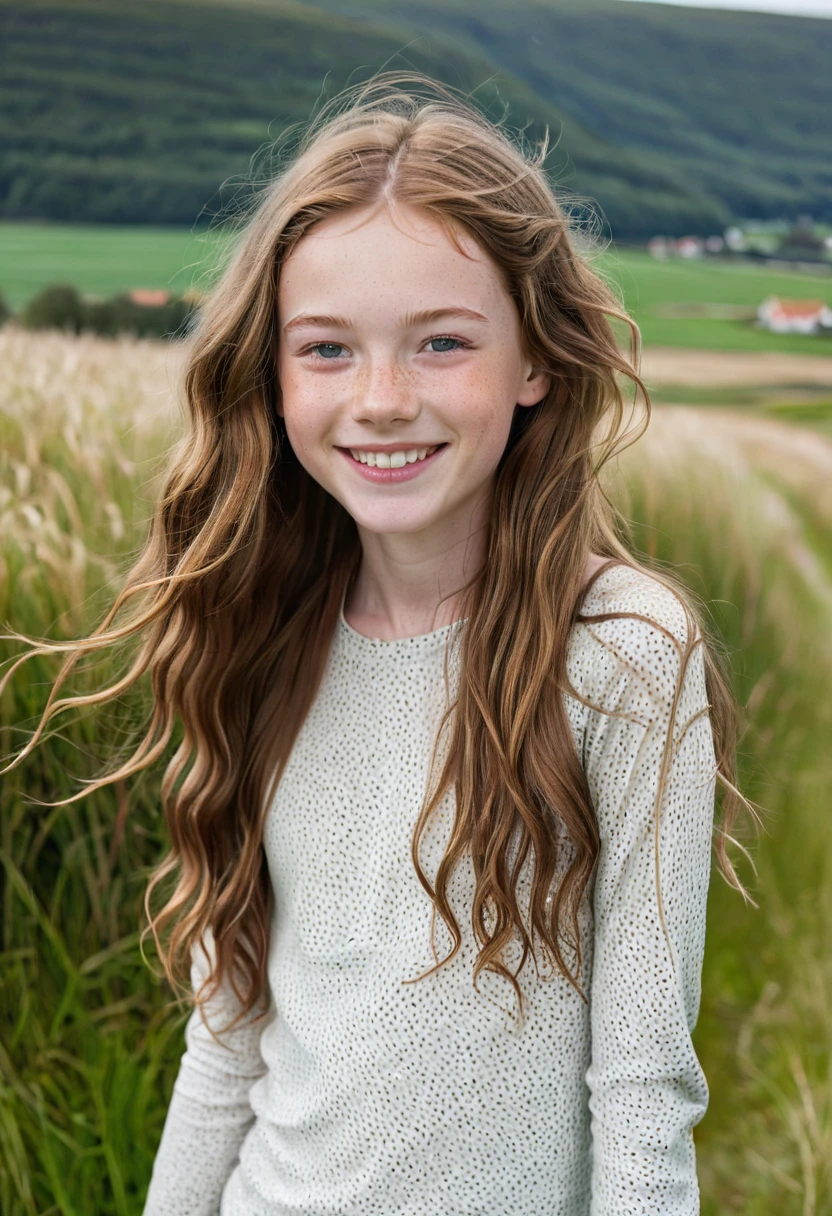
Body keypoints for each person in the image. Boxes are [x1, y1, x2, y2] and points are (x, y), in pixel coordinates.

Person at [2, 71, 759, 1216]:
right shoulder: (263, 636)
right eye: (327, 349)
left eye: (443, 342)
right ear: (272, 372)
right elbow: (227, 1048)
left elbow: (645, 1091)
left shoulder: (622, 654)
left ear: (537, 360)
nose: (383, 398)